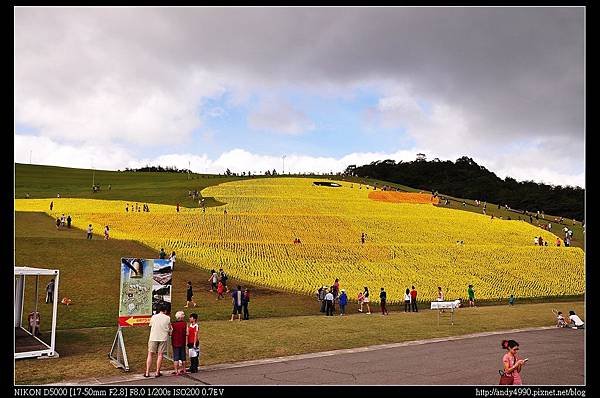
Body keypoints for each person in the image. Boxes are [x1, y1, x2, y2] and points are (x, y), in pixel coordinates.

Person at [145, 304, 172, 378]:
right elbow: (169, 328)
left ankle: (147, 372)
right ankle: (157, 372)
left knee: (150, 354)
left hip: (153, 337)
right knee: (160, 355)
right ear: (165, 310)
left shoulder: (154, 317)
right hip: (163, 338)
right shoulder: (167, 318)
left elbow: (150, 325)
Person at [171, 310, 187, 375]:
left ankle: (176, 370)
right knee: (183, 357)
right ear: (181, 317)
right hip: (182, 342)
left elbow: (170, 333)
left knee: (176, 357)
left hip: (175, 342)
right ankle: (184, 369)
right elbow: (187, 332)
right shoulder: (184, 324)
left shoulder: (173, 324)